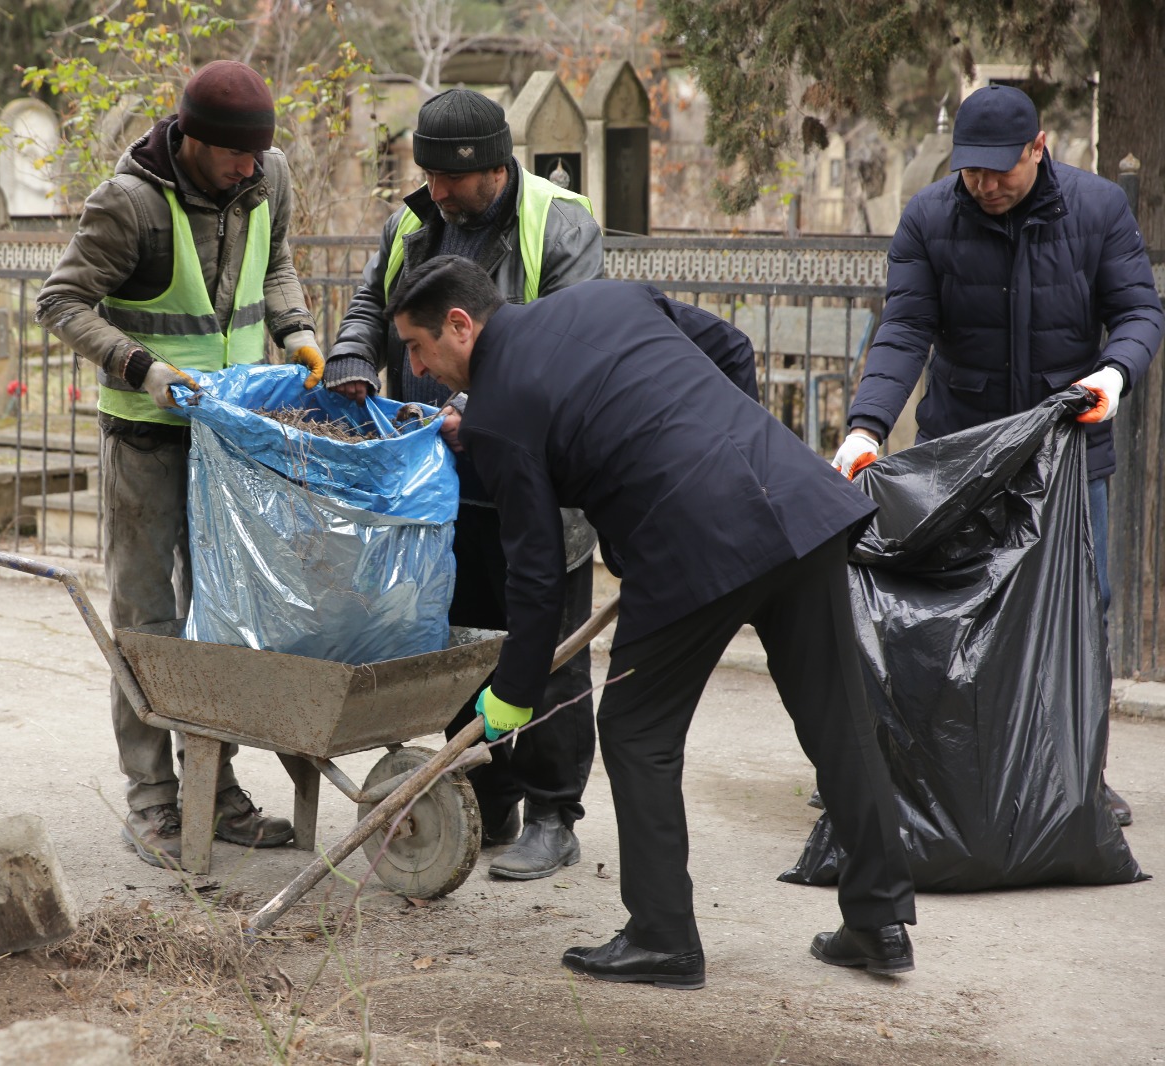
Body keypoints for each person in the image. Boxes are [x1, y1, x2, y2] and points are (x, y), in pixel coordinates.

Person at [387, 255, 918, 989]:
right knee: (838, 719)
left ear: (459, 325)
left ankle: (662, 937)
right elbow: (732, 347)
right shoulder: (608, 298)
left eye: (417, 348)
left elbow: (536, 574)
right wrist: (728, 457)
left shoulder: (501, 410)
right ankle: (880, 922)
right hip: (795, 500)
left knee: (637, 731)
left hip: (691, 545)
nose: (416, 368)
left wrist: (512, 693)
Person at [833, 85, 1163, 827]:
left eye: (998, 169)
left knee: (1079, 609)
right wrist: (866, 428)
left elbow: (1139, 311)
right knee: (950, 608)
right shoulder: (929, 218)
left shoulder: (1098, 209)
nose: (982, 184)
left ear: (1037, 148)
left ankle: (1077, 775)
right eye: (970, 169)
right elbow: (904, 329)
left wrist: (1114, 375)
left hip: (1068, 454)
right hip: (960, 456)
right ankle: (936, 771)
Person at [37, 61, 320, 869]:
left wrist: (297, 329)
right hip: (146, 441)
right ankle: (153, 799)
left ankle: (214, 788)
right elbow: (60, 301)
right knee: (148, 620)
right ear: (191, 139)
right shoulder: (129, 204)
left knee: (221, 618)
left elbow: (277, 262)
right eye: (234, 155)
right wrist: (142, 368)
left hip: (230, 440)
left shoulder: (268, 177)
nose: (248, 168)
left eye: (257, 154)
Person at [322, 88, 605, 879]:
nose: (438, 191)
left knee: (548, 648)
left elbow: (569, 343)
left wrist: (482, 411)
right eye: (430, 176)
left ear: (496, 166)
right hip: (440, 486)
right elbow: (372, 303)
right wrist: (353, 353)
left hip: (538, 477)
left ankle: (553, 811)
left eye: (452, 178)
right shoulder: (414, 224)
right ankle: (488, 796)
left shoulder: (560, 224)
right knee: (458, 647)